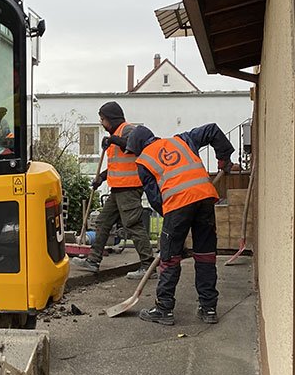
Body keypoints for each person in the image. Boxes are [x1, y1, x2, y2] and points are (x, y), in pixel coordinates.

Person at [124, 123, 234, 326]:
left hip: (177, 205)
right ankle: (209, 309)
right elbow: (212, 130)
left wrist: (173, 233)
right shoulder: (182, 139)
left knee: (169, 258)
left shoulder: (144, 161)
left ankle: (164, 309)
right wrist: (224, 158)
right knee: (205, 255)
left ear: (138, 146)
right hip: (205, 197)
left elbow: (156, 199)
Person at [79, 101, 155, 279]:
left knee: (133, 225)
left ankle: (148, 266)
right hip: (118, 189)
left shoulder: (128, 130)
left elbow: (132, 145)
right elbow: (117, 166)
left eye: (103, 119)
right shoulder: (114, 136)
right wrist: (102, 177)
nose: (102, 123)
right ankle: (93, 261)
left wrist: (113, 140)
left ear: (111, 119)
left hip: (129, 188)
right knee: (103, 222)